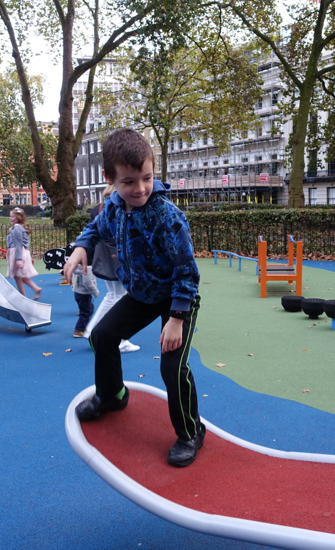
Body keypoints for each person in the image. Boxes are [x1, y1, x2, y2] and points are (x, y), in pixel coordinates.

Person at [63, 128, 204, 468]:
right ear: (109, 179)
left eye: (147, 178)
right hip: (142, 295)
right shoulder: (112, 207)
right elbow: (95, 228)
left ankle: (191, 432)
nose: (140, 188)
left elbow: (188, 272)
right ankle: (112, 396)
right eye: (129, 182)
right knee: (102, 335)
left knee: (172, 367)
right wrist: (81, 247)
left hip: (176, 300)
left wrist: (176, 319)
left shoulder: (166, 217)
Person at [83, 186, 139, 353]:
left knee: (112, 295)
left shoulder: (98, 208)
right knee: (120, 297)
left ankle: (91, 330)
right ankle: (120, 339)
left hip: (105, 257)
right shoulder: (118, 208)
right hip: (118, 256)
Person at [7, 207, 42, 300]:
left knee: (17, 276)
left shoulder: (17, 229)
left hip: (18, 253)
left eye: (12, 217)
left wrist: (19, 259)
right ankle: (34, 289)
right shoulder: (18, 228)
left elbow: (18, 244)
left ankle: (23, 296)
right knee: (19, 275)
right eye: (10, 216)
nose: (10, 218)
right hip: (20, 252)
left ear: (18, 217)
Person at [72, 258, 99, 338]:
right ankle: (78, 330)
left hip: (78, 292)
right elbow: (87, 282)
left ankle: (82, 323)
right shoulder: (88, 268)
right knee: (86, 312)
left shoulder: (78, 267)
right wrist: (95, 292)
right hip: (84, 293)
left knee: (89, 308)